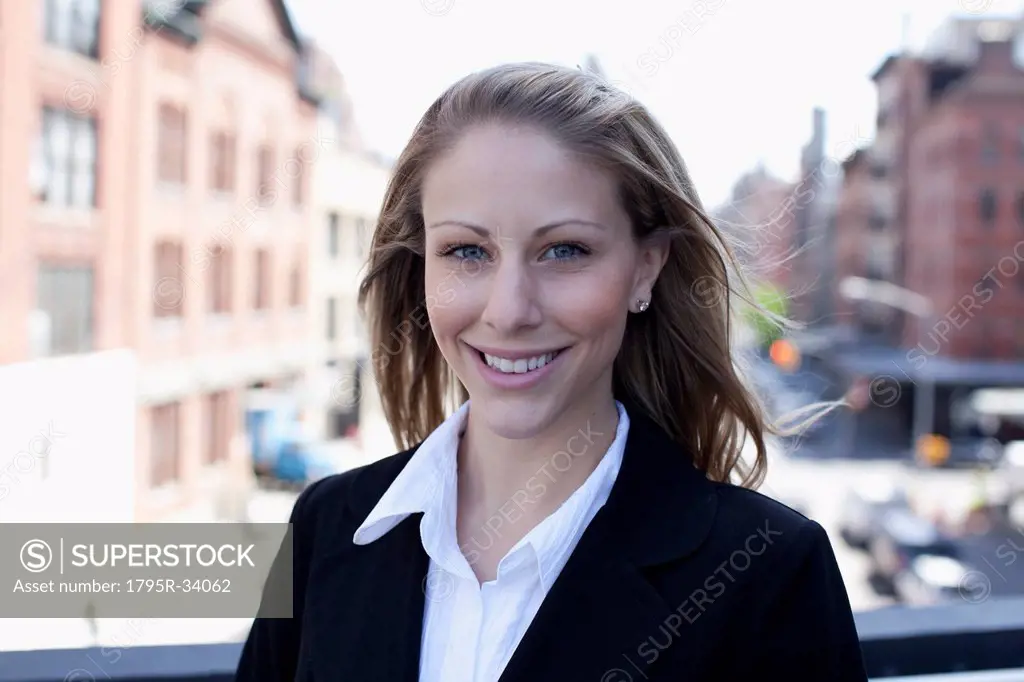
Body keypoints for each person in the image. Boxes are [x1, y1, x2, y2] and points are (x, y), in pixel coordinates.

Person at [236, 62, 868, 681]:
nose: (509, 311)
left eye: (564, 250)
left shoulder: (768, 574)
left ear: (645, 269)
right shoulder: (326, 525)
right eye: (466, 251)